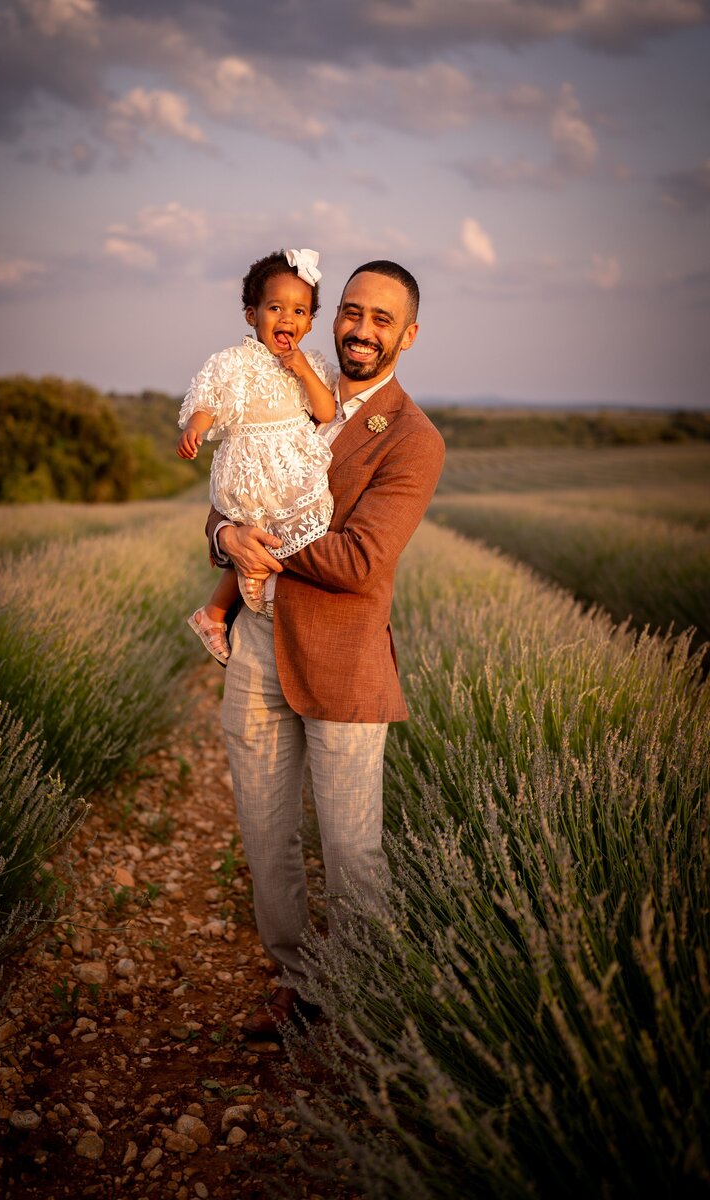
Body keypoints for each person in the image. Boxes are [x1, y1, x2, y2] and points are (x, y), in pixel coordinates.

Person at [207, 260, 446, 1039]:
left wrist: (259, 542)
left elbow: (360, 561)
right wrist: (223, 533)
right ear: (329, 318)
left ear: (408, 335)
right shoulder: (280, 390)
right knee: (265, 834)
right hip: (255, 646)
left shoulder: (413, 440)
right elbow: (227, 498)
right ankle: (299, 983)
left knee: (352, 854)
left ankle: (369, 1002)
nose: (361, 330)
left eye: (382, 319)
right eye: (350, 312)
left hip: (343, 664)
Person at [177, 249, 337, 663]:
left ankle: (219, 610)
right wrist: (195, 428)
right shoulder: (233, 362)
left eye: (299, 311)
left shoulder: (312, 363)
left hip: (289, 469)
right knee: (254, 536)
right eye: (275, 308)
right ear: (252, 315)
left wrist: (301, 368)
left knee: (293, 525)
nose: (287, 319)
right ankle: (223, 606)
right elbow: (209, 400)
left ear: (310, 322)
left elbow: (325, 411)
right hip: (250, 467)